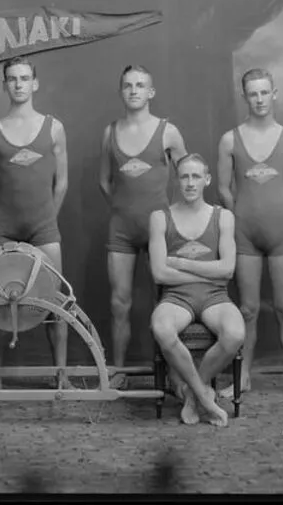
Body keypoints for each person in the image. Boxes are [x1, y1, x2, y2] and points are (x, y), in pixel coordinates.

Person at [216, 68, 283, 400]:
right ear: (244, 96)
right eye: (253, 93)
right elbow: (223, 190)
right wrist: (243, 217)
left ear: (274, 94)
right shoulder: (230, 140)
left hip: (281, 235)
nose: (259, 99)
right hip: (244, 234)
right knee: (247, 310)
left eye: (264, 92)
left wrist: (275, 216)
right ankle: (243, 376)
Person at [0, 56, 74, 390]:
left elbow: (61, 183)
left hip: (44, 226)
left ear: (35, 83)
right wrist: (4, 221)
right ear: (4, 84)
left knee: (56, 301)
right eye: (12, 79)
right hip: (5, 229)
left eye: (24, 78)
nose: (18, 84)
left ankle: (61, 375)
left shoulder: (54, 127)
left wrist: (46, 216)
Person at [99, 65, 187, 390]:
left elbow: (188, 178)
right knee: (119, 302)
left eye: (140, 85)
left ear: (151, 92)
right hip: (121, 228)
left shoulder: (168, 132)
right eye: (127, 86)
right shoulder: (110, 132)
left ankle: (175, 375)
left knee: (166, 304)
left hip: (159, 231)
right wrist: (127, 208)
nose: (134, 90)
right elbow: (105, 182)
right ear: (121, 92)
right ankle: (119, 370)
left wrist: (166, 220)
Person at [149, 153, 245, 427]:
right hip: (177, 296)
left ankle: (194, 395)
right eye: (184, 176)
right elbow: (159, 273)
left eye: (196, 176)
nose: (190, 183)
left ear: (207, 179)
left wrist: (179, 261)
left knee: (236, 333)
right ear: (176, 180)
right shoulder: (160, 218)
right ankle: (205, 396)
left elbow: (227, 270)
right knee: (162, 328)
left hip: (216, 297)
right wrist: (207, 269)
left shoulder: (223, 216)